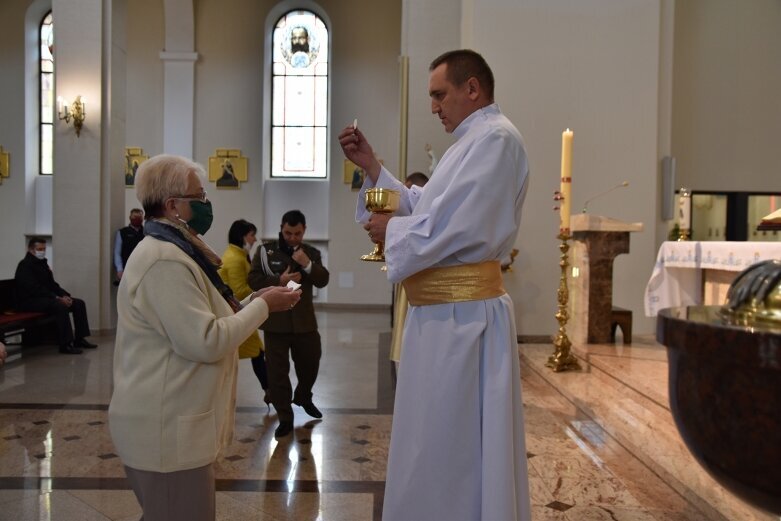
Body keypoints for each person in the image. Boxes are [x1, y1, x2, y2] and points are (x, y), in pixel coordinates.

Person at [339, 49, 532, 520]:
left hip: (462, 320)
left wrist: (395, 232)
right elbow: (429, 209)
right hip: (441, 320)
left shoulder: (496, 140)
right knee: (431, 440)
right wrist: (373, 167)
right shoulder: (469, 142)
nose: (433, 106)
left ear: (473, 89)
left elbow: (463, 227)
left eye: (439, 94)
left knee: (453, 443)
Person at [108, 154, 301, 521]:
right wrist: (262, 309)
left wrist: (255, 300)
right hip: (165, 433)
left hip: (172, 427)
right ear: (173, 205)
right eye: (198, 196)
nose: (206, 204)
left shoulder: (177, 249)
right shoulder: (164, 259)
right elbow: (205, 340)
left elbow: (204, 316)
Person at [248, 210, 330, 439]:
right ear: (281, 228)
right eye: (288, 233)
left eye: (297, 233)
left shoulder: (310, 253)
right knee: (277, 374)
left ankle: (303, 396)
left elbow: (323, 280)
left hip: (304, 323)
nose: (292, 238)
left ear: (304, 230)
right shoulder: (265, 251)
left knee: (311, 363)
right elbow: (253, 279)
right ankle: (285, 417)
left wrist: (307, 264)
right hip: (276, 323)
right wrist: (279, 281)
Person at [218, 219, 271, 407]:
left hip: (236, 312)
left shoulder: (238, 255)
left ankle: (268, 390)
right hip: (234, 314)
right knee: (254, 353)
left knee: (256, 352)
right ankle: (268, 390)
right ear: (243, 236)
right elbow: (239, 290)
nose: (255, 239)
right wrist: (265, 295)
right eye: (252, 235)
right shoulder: (234, 258)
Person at [14, 237, 98, 355]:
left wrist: (65, 295)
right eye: (39, 249)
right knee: (60, 306)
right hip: (30, 301)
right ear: (31, 250)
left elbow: (52, 285)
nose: (42, 251)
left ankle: (80, 339)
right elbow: (34, 288)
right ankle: (65, 344)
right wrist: (56, 298)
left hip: (46, 298)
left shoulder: (43, 264)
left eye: (44, 249)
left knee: (78, 303)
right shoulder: (24, 266)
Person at [113, 208, 144, 282]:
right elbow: (117, 252)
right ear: (130, 218)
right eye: (134, 217)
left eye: (139, 217)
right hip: (127, 268)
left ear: (142, 218)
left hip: (143, 268)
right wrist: (119, 269)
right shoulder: (122, 232)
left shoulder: (146, 232)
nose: (137, 219)